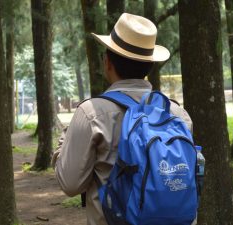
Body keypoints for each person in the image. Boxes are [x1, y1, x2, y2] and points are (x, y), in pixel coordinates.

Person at [52, 13, 193, 225]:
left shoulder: (91, 113)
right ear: (150, 66)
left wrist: (63, 145)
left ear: (107, 62)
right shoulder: (177, 114)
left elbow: (70, 184)